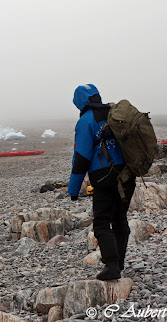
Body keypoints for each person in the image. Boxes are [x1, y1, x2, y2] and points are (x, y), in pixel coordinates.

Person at [68, 84, 135, 281]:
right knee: (120, 219)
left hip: (104, 177)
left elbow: (81, 158)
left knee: (102, 222)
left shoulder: (85, 121)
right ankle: (119, 263)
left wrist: (73, 189)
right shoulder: (115, 114)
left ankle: (112, 266)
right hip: (127, 175)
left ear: (81, 102)